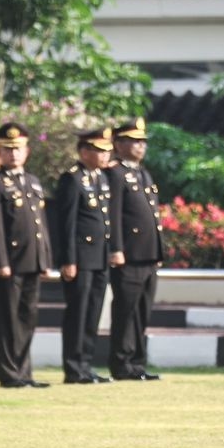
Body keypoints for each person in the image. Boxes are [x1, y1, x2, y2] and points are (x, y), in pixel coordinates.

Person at [0, 122, 55, 389]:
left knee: (27, 318)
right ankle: (9, 372)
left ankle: (24, 371)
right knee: (7, 320)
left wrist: (44, 258)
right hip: (9, 264)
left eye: (18, 149)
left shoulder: (32, 182)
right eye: (8, 150)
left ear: (27, 151)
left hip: (31, 261)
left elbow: (39, 225)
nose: (14, 154)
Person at [52, 127, 115, 384]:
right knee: (77, 313)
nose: (104, 155)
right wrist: (68, 260)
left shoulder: (100, 178)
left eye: (107, 150)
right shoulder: (72, 179)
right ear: (84, 151)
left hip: (99, 257)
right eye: (99, 150)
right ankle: (73, 367)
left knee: (93, 312)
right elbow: (66, 224)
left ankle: (86, 364)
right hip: (80, 257)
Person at [106, 117, 164, 381]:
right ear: (118, 144)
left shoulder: (143, 173)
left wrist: (158, 251)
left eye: (142, 142)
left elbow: (153, 216)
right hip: (129, 255)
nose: (140, 146)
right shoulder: (115, 172)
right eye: (133, 141)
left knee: (142, 311)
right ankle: (121, 363)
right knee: (126, 310)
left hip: (148, 255)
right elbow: (114, 215)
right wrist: (115, 248)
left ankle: (137, 362)